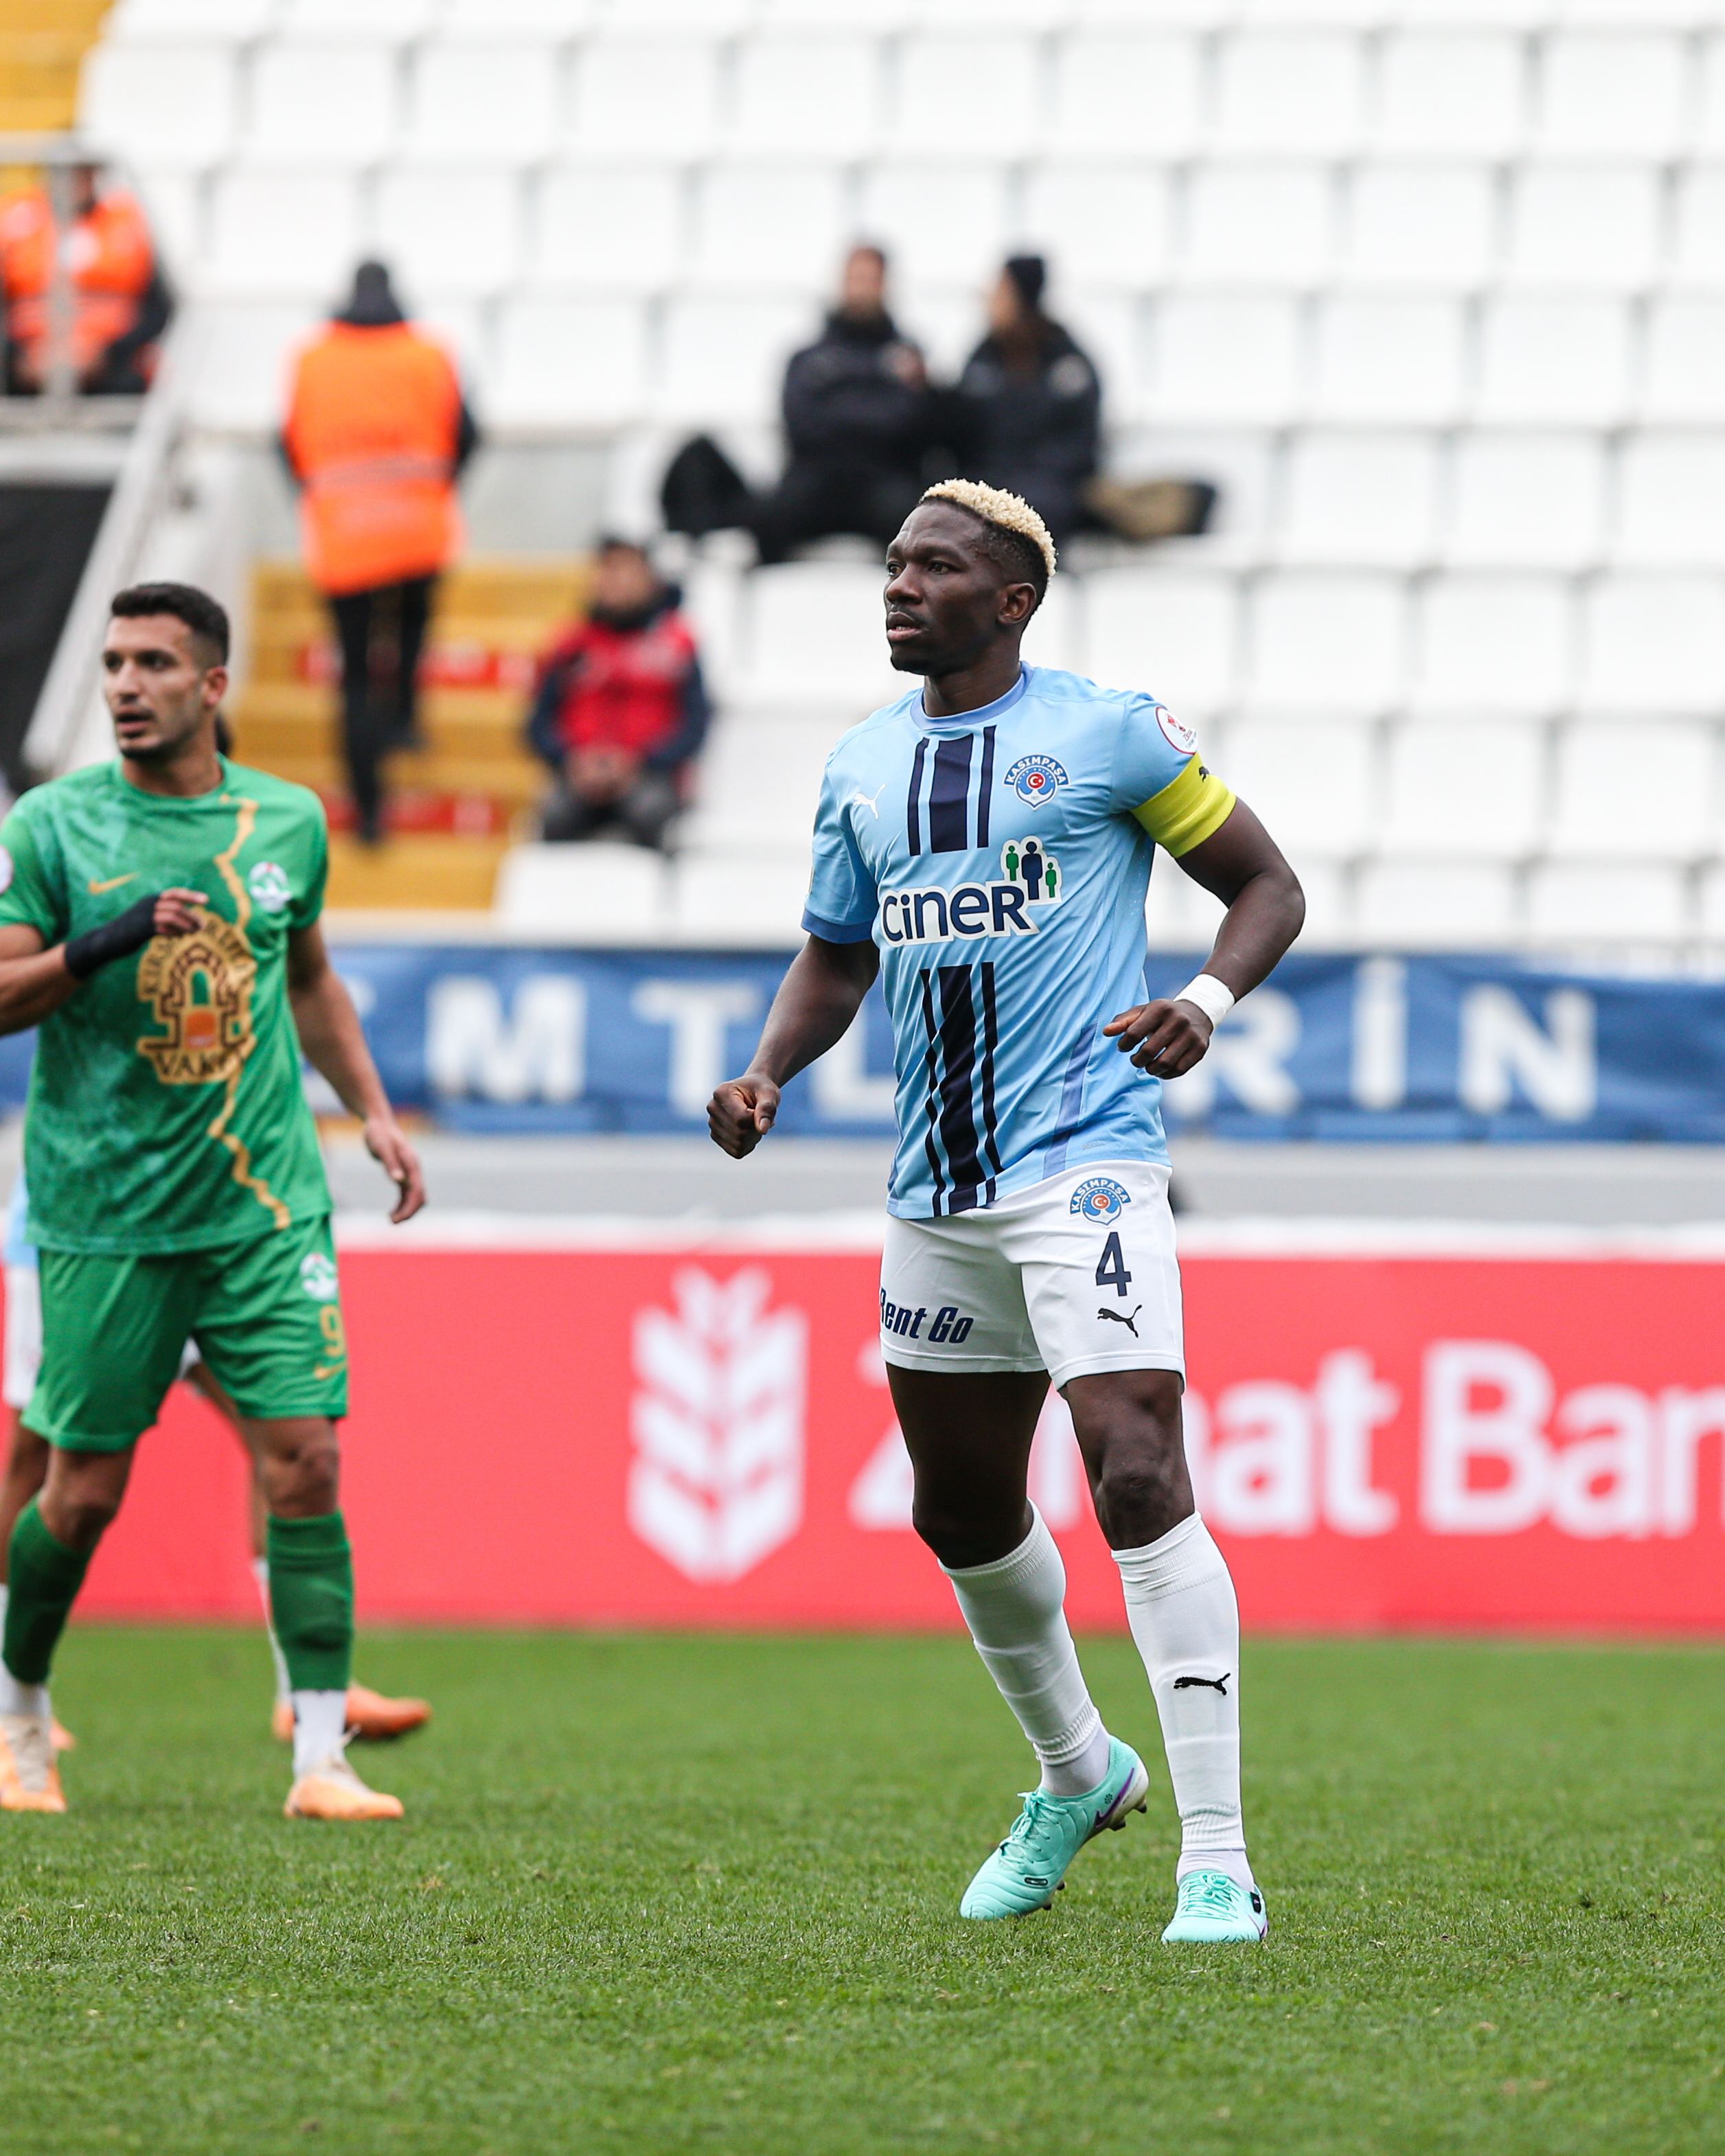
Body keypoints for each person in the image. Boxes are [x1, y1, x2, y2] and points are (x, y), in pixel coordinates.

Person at [708, 479, 1304, 1941]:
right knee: (959, 1506)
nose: (898, 585)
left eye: (934, 566)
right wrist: (769, 1068)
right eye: (893, 562)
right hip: (934, 1191)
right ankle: (1077, 1770)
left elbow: (1264, 884)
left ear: (1012, 598)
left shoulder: (1108, 733)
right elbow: (836, 954)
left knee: (1133, 1469)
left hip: (1086, 1160)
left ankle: (1216, 1856)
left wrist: (1205, 999)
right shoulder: (861, 765)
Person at [0, 580, 426, 1820]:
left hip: (264, 1206)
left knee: (307, 1460)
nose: (126, 686)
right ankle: (20, 1718)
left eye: (153, 663)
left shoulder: (286, 819)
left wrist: (374, 1109)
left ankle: (320, 1760)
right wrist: (105, 940)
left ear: (213, 684)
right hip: (107, 1213)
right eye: (114, 664)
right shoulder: (55, 826)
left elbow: (310, 979)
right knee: (79, 1491)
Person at [0, 1172, 431, 1752]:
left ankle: (305, 1689)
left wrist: (368, 1126)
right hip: (87, 1237)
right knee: (44, 1464)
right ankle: (11, 1695)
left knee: (287, 1443)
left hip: (217, 1233)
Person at [282, 262, 479, 845]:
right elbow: (468, 434)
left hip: (343, 529)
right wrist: (439, 486)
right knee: (411, 628)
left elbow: (287, 441)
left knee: (355, 671)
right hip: (417, 522)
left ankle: (368, 808)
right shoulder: (429, 354)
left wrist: (317, 495)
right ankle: (404, 720)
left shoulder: (313, 359)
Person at [661, 244, 944, 564]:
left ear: (885, 285)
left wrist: (840, 406)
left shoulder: (912, 358)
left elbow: (915, 426)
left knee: (922, 525)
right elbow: (801, 425)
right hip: (814, 485)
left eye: (870, 279)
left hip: (885, 483)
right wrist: (876, 408)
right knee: (766, 519)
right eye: (855, 278)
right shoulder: (806, 357)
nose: (861, 288)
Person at [526, 539, 710, 849]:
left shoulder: (677, 643)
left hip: (648, 775)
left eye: (625, 570)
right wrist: (571, 760)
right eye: (606, 570)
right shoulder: (571, 644)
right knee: (554, 817)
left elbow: (695, 723)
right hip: (579, 776)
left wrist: (642, 762)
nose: (613, 581)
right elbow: (538, 723)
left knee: (649, 814)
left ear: (650, 579)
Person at [952, 257, 1100, 547]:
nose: (990, 301)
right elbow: (959, 431)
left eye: (1001, 292)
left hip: (1049, 490)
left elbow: (1078, 445)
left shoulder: (1067, 363)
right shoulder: (983, 358)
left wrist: (1022, 480)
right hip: (989, 483)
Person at [0, 162, 171, 397]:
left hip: (112, 360)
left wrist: (107, 354)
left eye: (83, 174)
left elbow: (158, 309)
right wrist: (19, 355)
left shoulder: (127, 223)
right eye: (65, 174)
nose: (75, 183)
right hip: (28, 360)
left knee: (141, 374)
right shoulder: (15, 225)